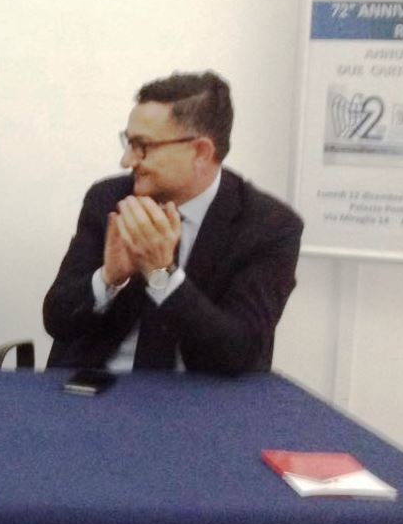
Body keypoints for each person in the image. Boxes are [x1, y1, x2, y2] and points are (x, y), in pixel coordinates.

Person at [43, 71, 303, 374]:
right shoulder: (109, 200)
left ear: (201, 152)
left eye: (142, 146)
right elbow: (57, 321)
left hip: (200, 395)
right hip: (100, 386)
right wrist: (109, 278)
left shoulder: (268, 227)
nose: (127, 161)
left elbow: (238, 353)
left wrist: (161, 276)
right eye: (128, 143)